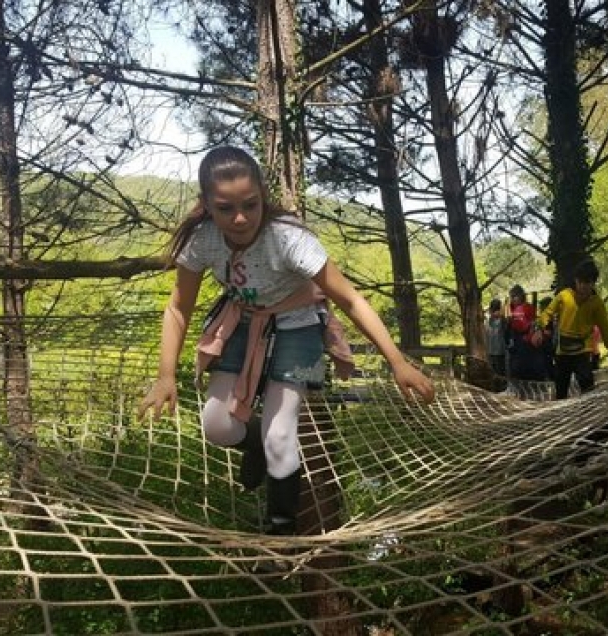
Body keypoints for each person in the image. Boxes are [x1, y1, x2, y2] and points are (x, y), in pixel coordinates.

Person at [137, 146, 435, 536]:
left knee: (280, 435)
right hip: (242, 321)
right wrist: (165, 375)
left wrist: (397, 361)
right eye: (226, 208)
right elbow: (178, 308)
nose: (240, 217)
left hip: (297, 326)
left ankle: (280, 536)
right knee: (216, 426)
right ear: (208, 205)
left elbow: (350, 298)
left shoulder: (289, 238)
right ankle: (256, 445)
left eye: (251, 204)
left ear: (262, 194)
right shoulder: (204, 240)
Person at [537, 260, 608, 399]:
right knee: (560, 388)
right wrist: (538, 328)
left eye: (588, 283)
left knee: (587, 384)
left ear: (593, 283)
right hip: (562, 352)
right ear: (576, 280)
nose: (583, 286)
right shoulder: (564, 296)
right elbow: (547, 313)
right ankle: (561, 417)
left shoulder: (596, 303)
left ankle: (588, 416)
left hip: (582, 351)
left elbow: (605, 329)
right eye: (581, 282)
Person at [504, 285, 545, 382]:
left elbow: (530, 324)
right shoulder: (510, 310)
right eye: (512, 296)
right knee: (518, 372)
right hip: (517, 345)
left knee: (528, 371)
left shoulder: (527, 308)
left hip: (528, 345)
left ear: (521, 296)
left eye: (515, 296)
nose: (513, 299)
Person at [485, 298, 506, 377]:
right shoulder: (488, 320)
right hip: (491, 351)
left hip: (499, 352)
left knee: (500, 374)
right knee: (493, 373)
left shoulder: (502, 320)